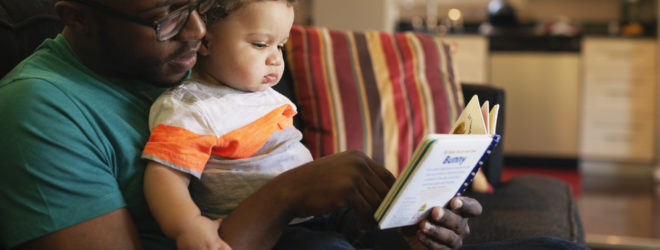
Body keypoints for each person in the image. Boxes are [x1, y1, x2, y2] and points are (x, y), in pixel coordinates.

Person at [0, 0, 487, 249]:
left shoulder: (194, 61)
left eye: (199, 6)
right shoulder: (39, 109)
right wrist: (289, 194)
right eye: (164, 17)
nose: (197, 31)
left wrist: (407, 224)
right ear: (78, 17)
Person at [141, 0, 315, 249]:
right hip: (273, 230)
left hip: (315, 209)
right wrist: (187, 225)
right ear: (207, 42)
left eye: (280, 45)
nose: (276, 59)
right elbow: (166, 174)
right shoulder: (193, 107)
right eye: (260, 44)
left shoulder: (261, 92)